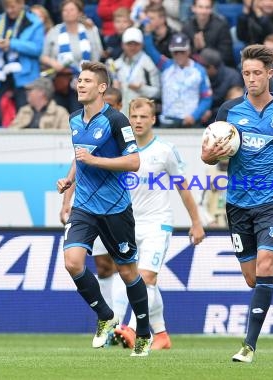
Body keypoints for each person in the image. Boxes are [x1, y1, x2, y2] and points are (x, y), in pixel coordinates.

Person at [201, 44, 273, 363]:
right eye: (246, 73)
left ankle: (248, 345)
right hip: (238, 203)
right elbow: (207, 153)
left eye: (257, 73)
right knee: (254, 277)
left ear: (270, 73)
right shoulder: (228, 111)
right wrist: (210, 155)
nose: (251, 79)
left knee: (264, 266)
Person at [56, 61, 152, 357]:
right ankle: (105, 315)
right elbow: (79, 156)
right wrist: (68, 184)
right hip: (84, 206)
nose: (79, 85)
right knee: (72, 262)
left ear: (101, 88)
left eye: (86, 81)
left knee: (127, 272)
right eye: (78, 80)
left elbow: (133, 162)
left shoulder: (116, 120)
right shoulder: (74, 119)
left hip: (115, 209)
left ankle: (144, 334)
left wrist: (96, 161)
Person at [114, 97, 206, 350]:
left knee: (146, 278)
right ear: (128, 119)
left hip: (158, 223)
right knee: (141, 282)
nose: (138, 121)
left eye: (144, 117)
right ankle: (162, 335)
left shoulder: (165, 150)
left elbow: (183, 188)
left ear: (153, 119)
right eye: (134, 117)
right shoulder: (119, 149)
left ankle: (131, 329)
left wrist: (196, 222)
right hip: (128, 226)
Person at [144, 32, 213, 128]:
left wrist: (194, 116)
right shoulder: (165, 66)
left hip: (189, 122)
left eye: (182, 51)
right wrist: (147, 30)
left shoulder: (199, 71)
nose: (179, 55)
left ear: (188, 51)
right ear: (171, 52)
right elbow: (149, 49)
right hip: (168, 120)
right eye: (176, 52)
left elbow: (206, 98)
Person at [114, 27, 161, 116]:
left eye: (136, 44)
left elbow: (158, 92)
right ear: (122, 45)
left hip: (141, 115)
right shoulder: (116, 65)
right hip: (120, 114)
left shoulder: (148, 65)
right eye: (129, 44)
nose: (132, 47)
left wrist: (141, 89)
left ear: (142, 45)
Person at [181, 0, 234, 68]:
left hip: (215, 69)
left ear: (211, 9)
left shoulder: (221, 26)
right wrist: (195, 48)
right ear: (193, 8)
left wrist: (204, 48)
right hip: (192, 69)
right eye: (200, 7)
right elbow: (182, 55)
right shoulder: (187, 27)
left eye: (207, 7)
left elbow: (227, 57)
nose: (203, 11)